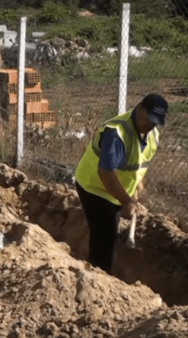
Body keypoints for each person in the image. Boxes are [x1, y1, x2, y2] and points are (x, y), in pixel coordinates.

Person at [73, 94, 168, 273]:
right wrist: (127, 201)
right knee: (105, 237)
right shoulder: (117, 133)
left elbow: (139, 162)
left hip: (115, 189)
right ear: (140, 108)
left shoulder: (152, 134)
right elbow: (106, 172)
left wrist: (138, 182)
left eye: (155, 122)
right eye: (149, 120)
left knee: (108, 231)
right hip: (94, 188)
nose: (151, 126)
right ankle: (98, 277)